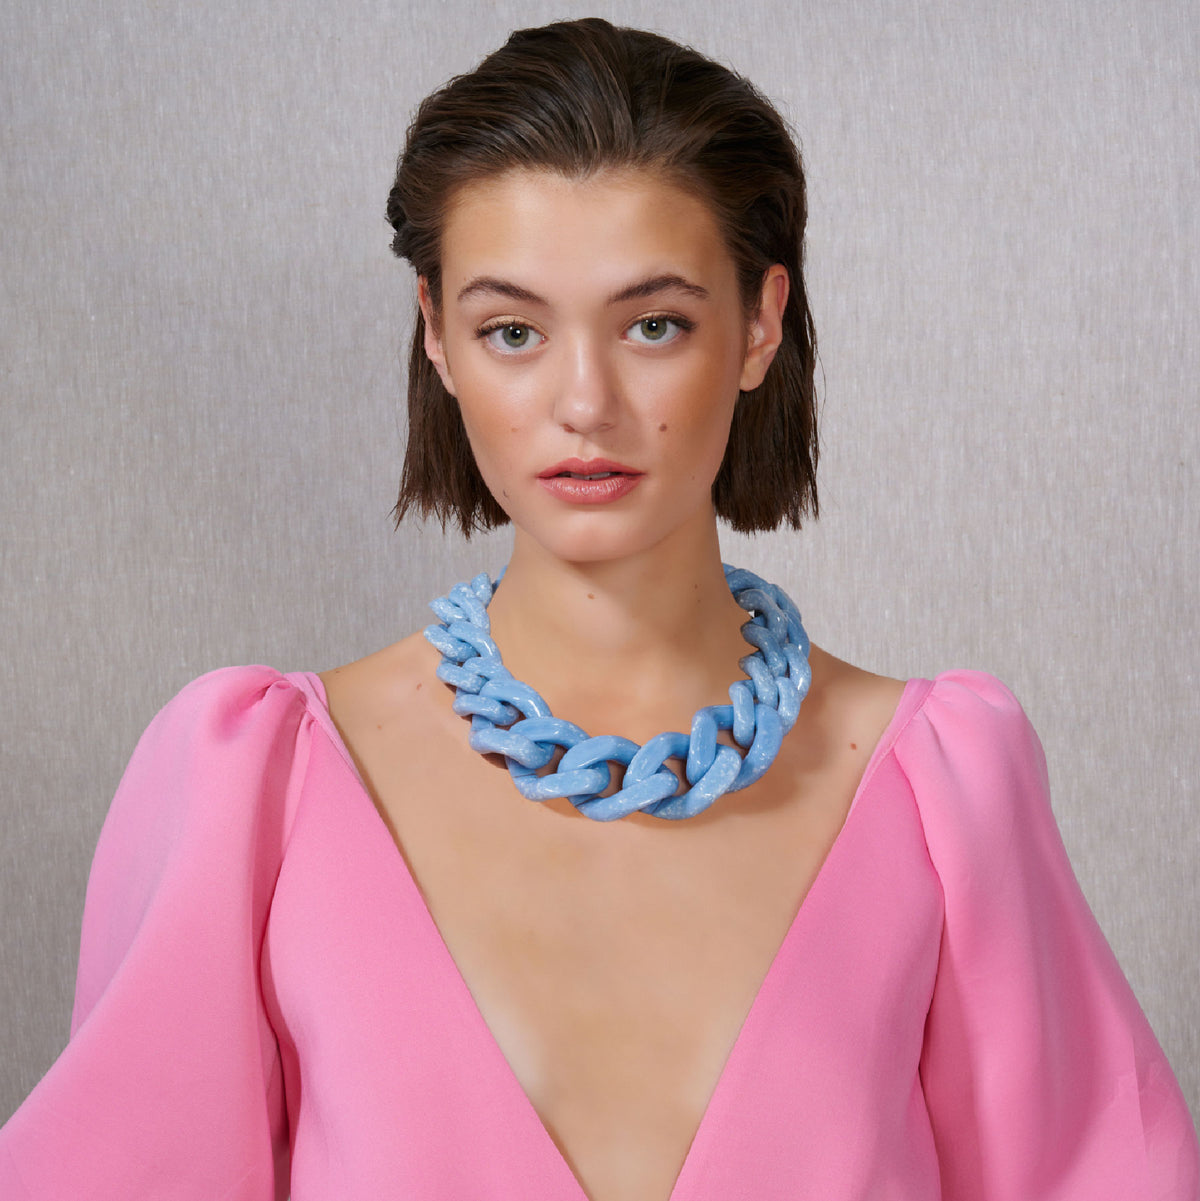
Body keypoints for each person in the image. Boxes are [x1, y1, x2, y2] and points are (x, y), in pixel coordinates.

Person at [0, 17, 1195, 1201]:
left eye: (653, 324)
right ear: (437, 336)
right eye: (513, 331)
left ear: (761, 323)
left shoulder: (944, 788)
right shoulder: (259, 788)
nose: (585, 401)